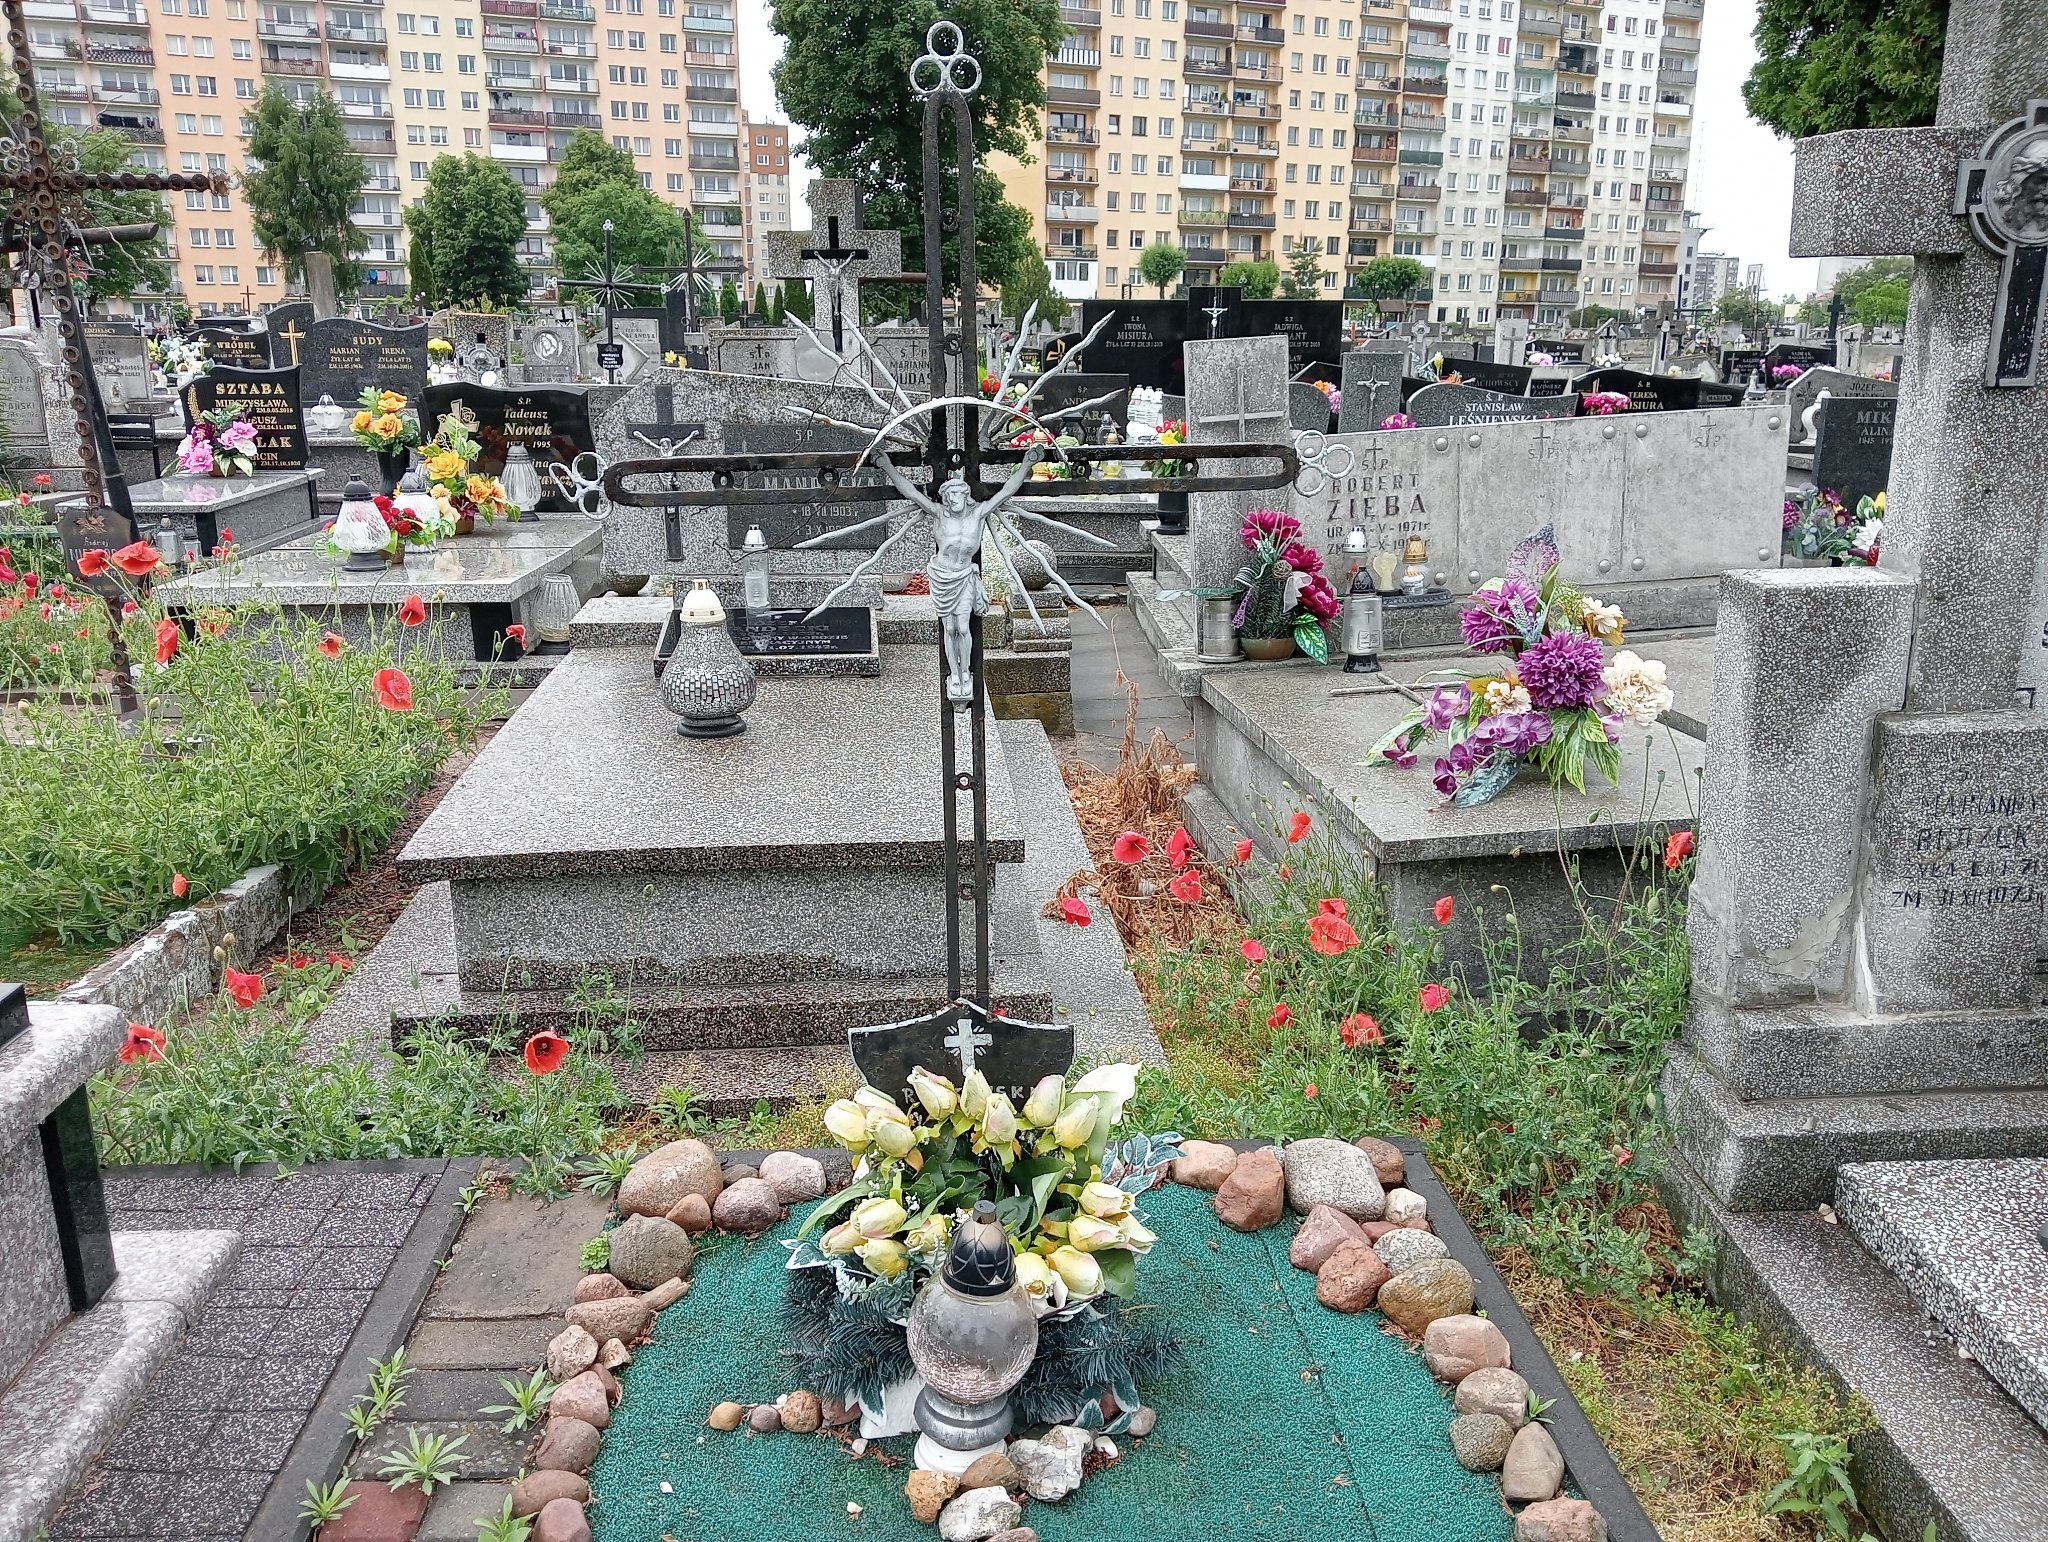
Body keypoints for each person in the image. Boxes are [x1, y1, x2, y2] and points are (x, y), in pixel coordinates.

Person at [876, 454, 1040, 703]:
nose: (952, 499)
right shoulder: (939, 514)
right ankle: (954, 674)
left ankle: (965, 673)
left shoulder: (979, 514)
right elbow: (911, 493)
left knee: (963, 628)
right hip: (943, 576)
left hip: (964, 576)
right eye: (948, 495)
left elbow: (1006, 491)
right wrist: (886, 466)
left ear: (965, 495)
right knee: (950, 628)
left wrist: (1027, 463)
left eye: (956, 494)